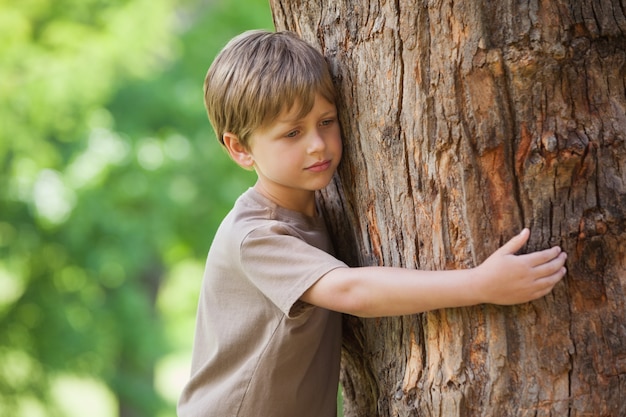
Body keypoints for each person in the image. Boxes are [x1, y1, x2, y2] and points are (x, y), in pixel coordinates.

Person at [177, 30, 568, 417]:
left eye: (326, 121)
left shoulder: (315, 212)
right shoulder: (256, 234)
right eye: (292, 132)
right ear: (240, 148)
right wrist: (479, 283)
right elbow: (351, 290)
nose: (317, 143)